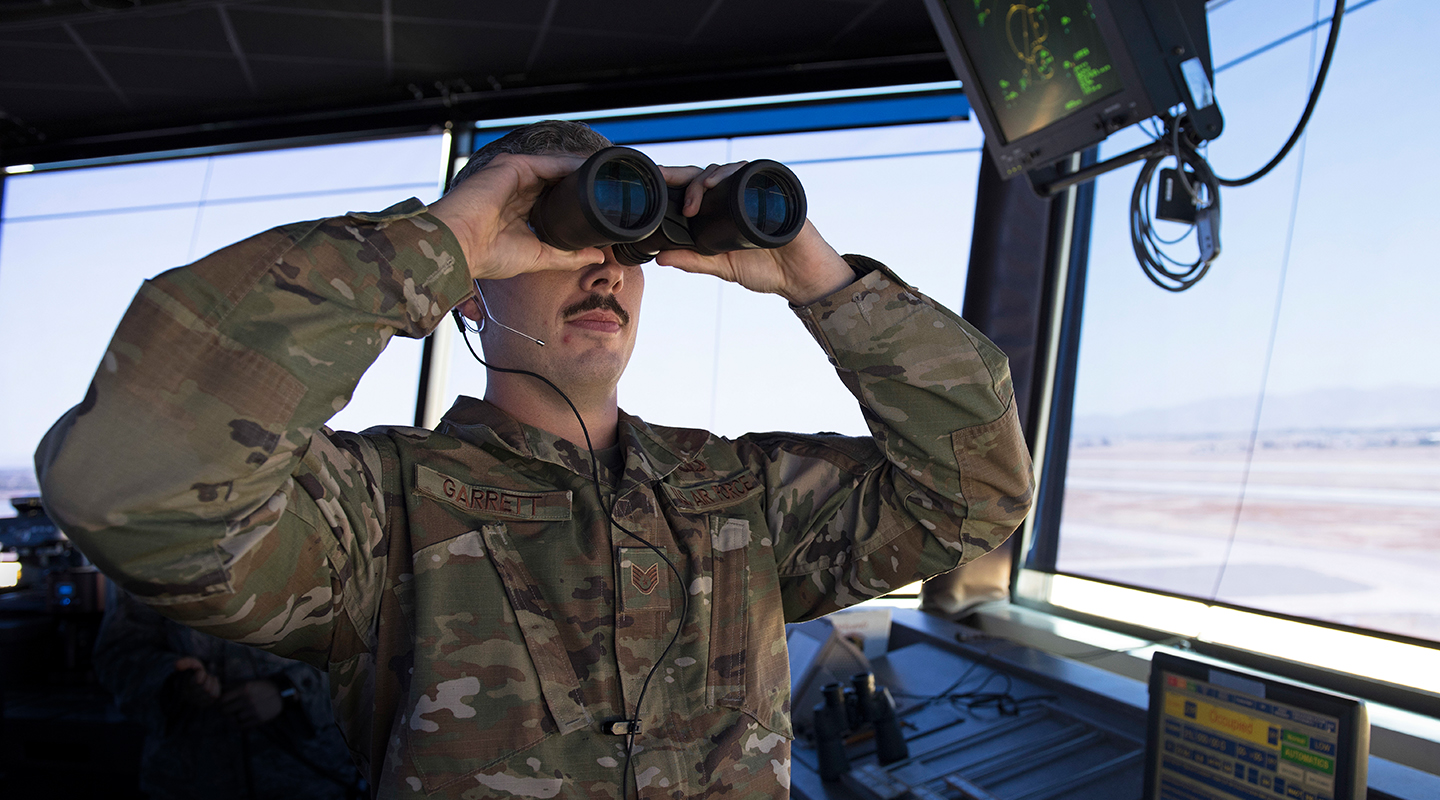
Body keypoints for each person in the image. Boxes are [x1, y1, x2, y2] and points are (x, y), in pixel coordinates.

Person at [35, 120, 1034, 798]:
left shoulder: (743, 498)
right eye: (562, 232)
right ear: (474, 289)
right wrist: (433, 242)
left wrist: (825, 285)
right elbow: (132, 484)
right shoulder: (383, 512)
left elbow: (976, 494)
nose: (604, 263)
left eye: (625, 242)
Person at [93, 584, 365, 799]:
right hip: (191, 780)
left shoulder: (321, 528)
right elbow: (117, 655)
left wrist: (290, 689)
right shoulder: (151, 544)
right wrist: (174, 680)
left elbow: (372, 651)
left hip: (308, 779)